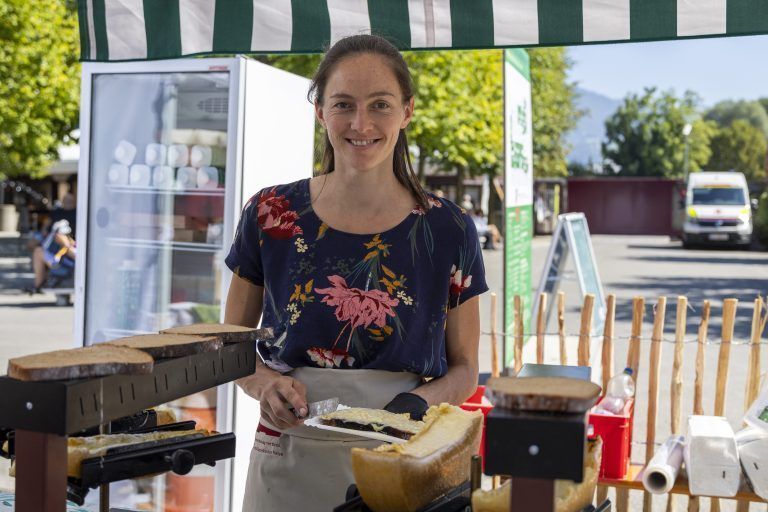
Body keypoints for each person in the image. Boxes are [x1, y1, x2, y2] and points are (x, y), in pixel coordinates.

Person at [224, 34, 487, 511]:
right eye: (343, 104)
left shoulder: (449, 228)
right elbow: (229, 345)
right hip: (288, 453)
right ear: (320, 111)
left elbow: (466, 369)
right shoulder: (270, 212)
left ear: (407, 112)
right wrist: (264, 384)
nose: (360, 124)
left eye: (380, 105)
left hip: (404, 452)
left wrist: (420, 401)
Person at [26, 193, 77, 294]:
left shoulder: (77, 213)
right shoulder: (57, 212)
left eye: (70, 201)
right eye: (66, 200)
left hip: (70, 241)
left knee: (57, 240)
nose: (68, 202)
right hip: (51, 238)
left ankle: (45, 270)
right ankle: (42, 269)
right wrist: (44, 231)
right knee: (34, 245)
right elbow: (47, 224)